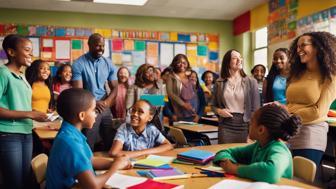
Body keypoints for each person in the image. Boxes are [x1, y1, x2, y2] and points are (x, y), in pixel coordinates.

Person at [46, 88, 131, 189]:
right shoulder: (70, 143)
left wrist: (115, 162)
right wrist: (115, 167)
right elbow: (93, 186)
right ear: (82, 115)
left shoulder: (71, 133)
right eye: (94, 110)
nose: (96, 114)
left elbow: (90, 160)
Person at [0, 34, 48, 189]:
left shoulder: (22, 76)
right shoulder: (3, 73)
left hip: (26, 132)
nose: (31, 54)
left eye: (31, 50)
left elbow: (18, 105)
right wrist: (30, 114)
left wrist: (33, 112)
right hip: (8, 134)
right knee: (13, 182)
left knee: (24, 180)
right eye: (27, 50)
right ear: (12, 52)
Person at [213, 105, 301, 184]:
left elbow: (271, 172)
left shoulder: (280, 150)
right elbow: (225, 152)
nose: (248, 125)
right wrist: (226, 161)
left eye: (251, 122)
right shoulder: (259, 146)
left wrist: (235, 169)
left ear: (261, 130)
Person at [286, 31, 336, 166]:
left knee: (300, 182)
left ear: (318, 48)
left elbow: (317, 112)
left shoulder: (330, 77)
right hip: (288, 132)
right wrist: (287, 110)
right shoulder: (296, 74)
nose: (299, 50)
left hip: (311, 134)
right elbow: (289, 102)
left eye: (303, 45)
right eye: (297, 47)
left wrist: (287, 113)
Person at [72, 33, 117, 151]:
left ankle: (108, 168)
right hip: (88, 107)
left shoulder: (108, 63)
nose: (101, 49)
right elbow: (78, 91)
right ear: (89, 45)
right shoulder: (78, 64)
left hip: (105, 106)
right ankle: (87, 167)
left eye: (102, 46)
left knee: (109, 142)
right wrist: (94, 103)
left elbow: (115, 88)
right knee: (89, 143)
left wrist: (106, 102)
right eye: (97, 46)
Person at [212, 49, 260, 144]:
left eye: (240, 58)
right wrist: (219, 111)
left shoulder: (251, 82)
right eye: (235, 58)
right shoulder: (219, 82)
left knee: (244, 157)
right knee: (225, 156)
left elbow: (256, 110)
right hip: (225, 125)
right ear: (227, 62)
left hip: (245, 125)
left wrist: (252, 132)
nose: (239, 60)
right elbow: (213, 106)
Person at [108, 100, 173, 158]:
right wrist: (143, 153)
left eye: (140, 112)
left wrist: (143, 153)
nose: (135, 114)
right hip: (128, 165)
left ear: (150, 118)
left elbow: (168, 145)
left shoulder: (151, 129)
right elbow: (114, 152)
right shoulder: (124, 128)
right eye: (133, 110)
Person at [166, 54, 200, 122]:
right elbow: (170, 93)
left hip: (194, 112)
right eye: (179, 62)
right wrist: (183, 104)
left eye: (184, 63)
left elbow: (197, 92)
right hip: (179, 112)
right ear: (175, 63)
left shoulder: (190, 75)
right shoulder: (171, 76)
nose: (182, 65)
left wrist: (199, 114)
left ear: (187, 63)